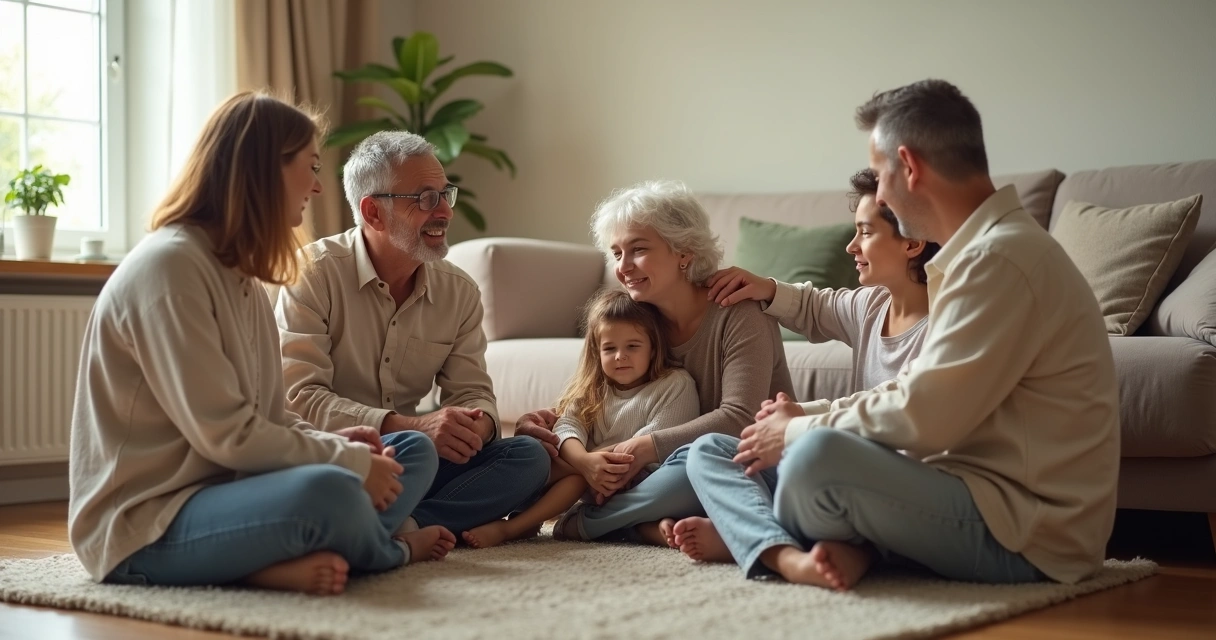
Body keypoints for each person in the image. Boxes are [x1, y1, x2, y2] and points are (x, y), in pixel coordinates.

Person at [683, 79, 1119, 591]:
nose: (881, 193)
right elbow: (917, 392)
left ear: (908, 167)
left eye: (883, 177)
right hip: (962, 492)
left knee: (814, 459)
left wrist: (799, 430)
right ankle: (807, 543)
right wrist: (804, 417)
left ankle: (768, 539)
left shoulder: (997, 260)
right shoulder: (978, 255)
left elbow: (924, 416)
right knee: (717, 448)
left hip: (1027, 534)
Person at [68, 92, 454, 596]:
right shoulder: (171, 270)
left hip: (230, 489)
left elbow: (269, 413)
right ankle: (388, 551)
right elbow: (228, 436)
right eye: (311, 167)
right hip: (145, 523)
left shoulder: (240, 274)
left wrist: (341, 445)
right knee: (331, 489)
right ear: (265, 169)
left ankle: (279, 557)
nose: (317, 186)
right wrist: (347, 464)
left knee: (411, 452)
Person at [275, 130, 550, 541]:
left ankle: (407, 523)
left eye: (445, 194)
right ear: (373, 213)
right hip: (335, 455)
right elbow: (299, 398)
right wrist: (412, 427)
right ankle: (393, 519)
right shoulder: (312, 275)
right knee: (415, 449)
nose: (445, 212)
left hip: (415, 460)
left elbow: (474, 392)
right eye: (425, 198)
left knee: (529, 457)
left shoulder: (459, 291)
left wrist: (475, 427)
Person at [669, 167, 940, 562]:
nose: (852, 246)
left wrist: (799, 419)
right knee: (709, 450)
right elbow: (816, 306)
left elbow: (898, 407)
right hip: (837, 465)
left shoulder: (945, 327)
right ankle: (788, 538)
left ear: (912, 243)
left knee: (811, 456)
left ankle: (755, 538)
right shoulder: (871, 304)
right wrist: (765, 286)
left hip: (888, 484)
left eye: (865, 232)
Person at [517, 179, 796, 545]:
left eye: (638, 249)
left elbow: (740, 417)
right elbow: (597, 394)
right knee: (543, 456)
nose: (624, 267)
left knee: (691, 468)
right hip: (648, 470)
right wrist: (549, 422)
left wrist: (641, 448)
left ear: (684, 252)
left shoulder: (740, 311)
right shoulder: (640, 318)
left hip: (736, 460)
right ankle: (644, 519)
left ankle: (593, 523)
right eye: (616, 254)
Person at [462, 288, 699, 548]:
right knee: (552, 459)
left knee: (574, 474)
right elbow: (568, 425)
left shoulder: (674, 384)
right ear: (596, 352)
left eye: (633, 346)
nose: (620, 356)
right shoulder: (594, 387)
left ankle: (514, 527)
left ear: (653, 348)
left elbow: (653, 441)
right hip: (595, 479)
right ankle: (515, 519)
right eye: (609, 348)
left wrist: (589, 464)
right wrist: (585, 461)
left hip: (645, 477)